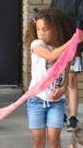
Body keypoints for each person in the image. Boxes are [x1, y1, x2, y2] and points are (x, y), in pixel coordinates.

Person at [24, 8, 83, 148]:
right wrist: (73, 41)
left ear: (57, 30)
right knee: (38, 141)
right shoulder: (36, 45)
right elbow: (52, 56)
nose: (41, 33)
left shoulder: (65, 50)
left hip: (56, 103)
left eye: (45, 29)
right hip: (36, 101)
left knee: (54, 141)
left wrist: (63, 90)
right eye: (38, 29)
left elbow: (66, 74)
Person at [50, 0, 83, 131]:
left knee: (70, 81)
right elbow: (51, 16)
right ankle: (59, 112)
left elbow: (81, 21)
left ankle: (73, 117)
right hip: (57, 47)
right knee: (57, 80)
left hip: (73, 49)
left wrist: (64, 21)